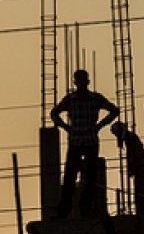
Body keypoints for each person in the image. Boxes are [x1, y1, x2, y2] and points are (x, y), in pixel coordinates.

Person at [51, 69, 119, 218]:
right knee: (70, 178)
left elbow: (114, 110)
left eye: (83, 80)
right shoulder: (71, 99)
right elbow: (54, 113)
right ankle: (64, 211)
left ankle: (85, 208)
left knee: (90, 178)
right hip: (76, 141)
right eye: (79, 80)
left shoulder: (95, 98)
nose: (81, 83)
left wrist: (99, 126)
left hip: (90, 142)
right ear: (75, 82)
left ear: (87, 81)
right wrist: (66, 127)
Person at [110, 121, 144, 216]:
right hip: (139, 169)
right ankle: (141, 213)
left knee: (141, 193)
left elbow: (134, 155)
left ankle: (143, 213)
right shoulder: (129, 138)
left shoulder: (130, 139)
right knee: (139, 192)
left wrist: (131, 168)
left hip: (141, 169)